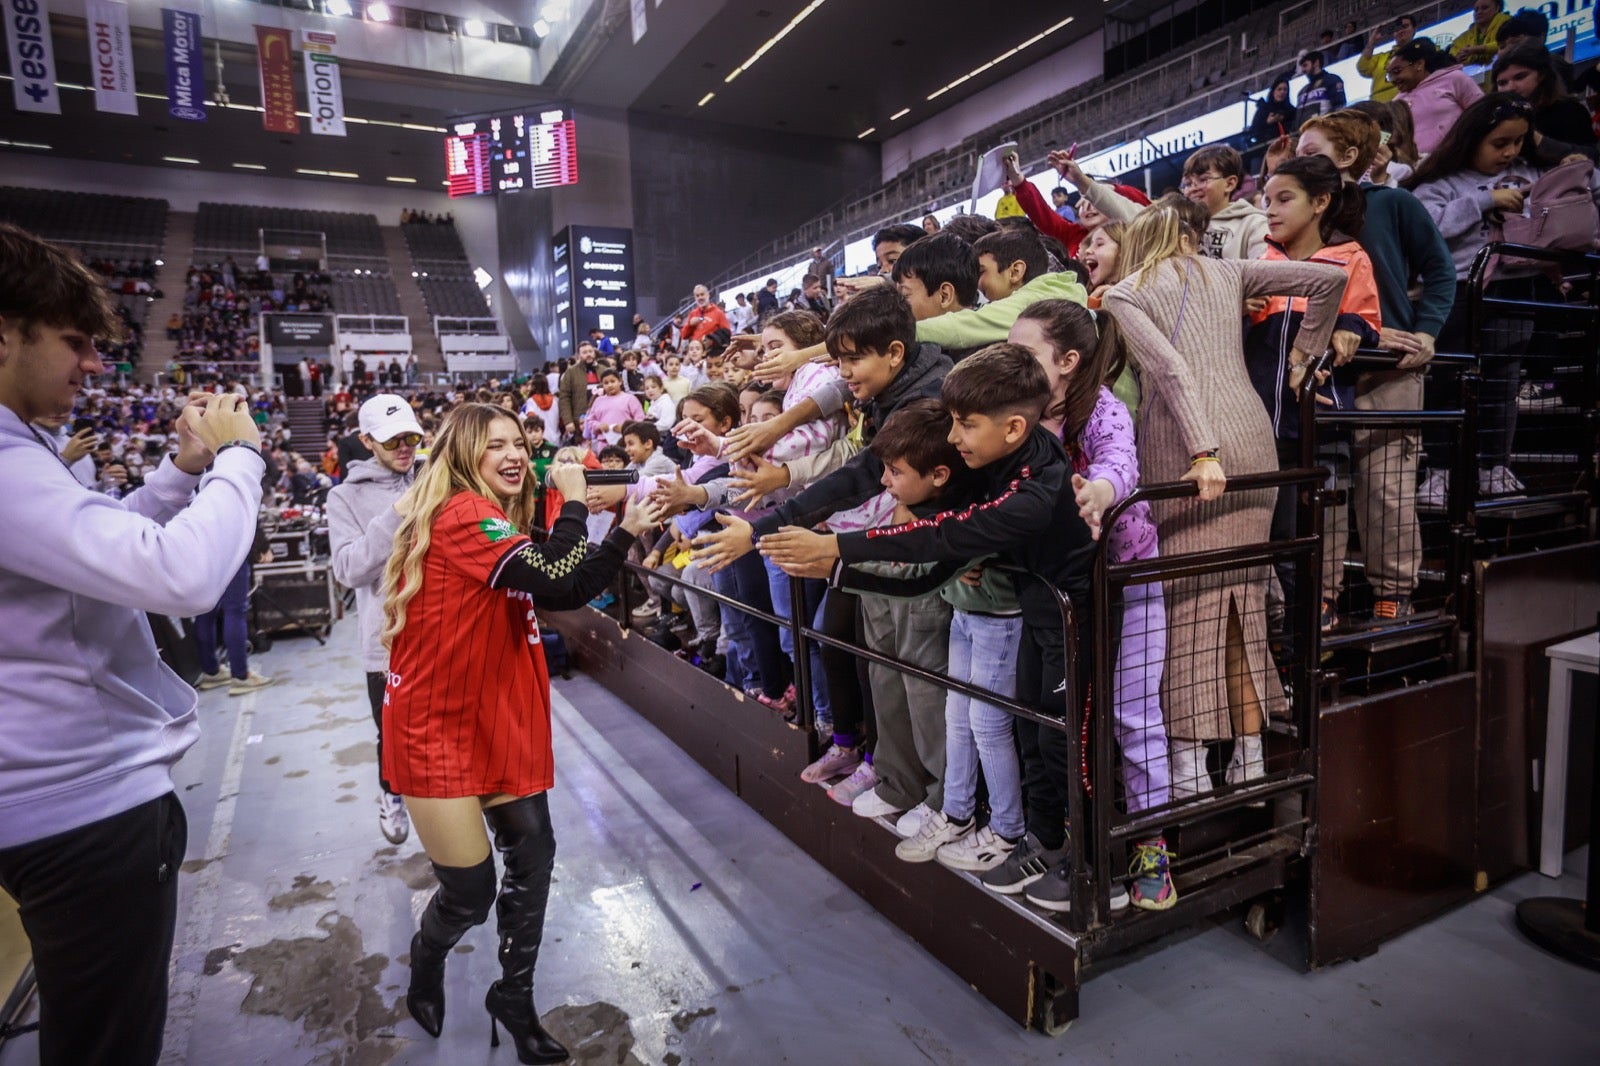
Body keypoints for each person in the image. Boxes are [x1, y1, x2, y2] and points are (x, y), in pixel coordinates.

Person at [0, 222, 266, 1066]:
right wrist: (238, 461)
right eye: (74, 343)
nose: (91, 366)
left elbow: (101, 550)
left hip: (61, 799)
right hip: (83, 813)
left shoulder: (22, 452)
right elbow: (181, 578)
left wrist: (182, 474)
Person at [382, 403, 655, 1060]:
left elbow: (566, 578)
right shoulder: (463, 516)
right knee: (470, 892)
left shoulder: (495, 518)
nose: (509, 453)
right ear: (461, 456)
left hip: (499, 715)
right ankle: (427, 954)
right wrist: (577, 504)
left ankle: (515, 996)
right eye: (491, 444)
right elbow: (563, 581)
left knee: (533, 855)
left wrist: (614, 529)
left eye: (515, 442)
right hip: (437, 727)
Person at [1102, 204, 1348, 796]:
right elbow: (1330, 279)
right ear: (1190, 235)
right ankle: (1251, 755)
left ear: (1135, 241)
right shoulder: (1229, 271)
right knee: (1241, 602)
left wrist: (1202, 449)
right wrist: (1302, 357)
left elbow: (1171, 371)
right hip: (1254, 436)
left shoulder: (1125, 292)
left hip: (1184, 447)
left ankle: (1189, 766)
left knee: (1188, 609)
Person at [1009, 299, 1175, 908]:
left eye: (1025, 353)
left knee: (1133, 717)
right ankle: (1066, 843)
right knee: (1048, 718)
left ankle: (1150, 850)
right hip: (1057, 590)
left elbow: (1118, 465)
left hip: (1126, 579)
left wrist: (1097, 493)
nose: (1012, 361)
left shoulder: (1102, 407)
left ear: (1068, 361)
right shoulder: (1020, 414)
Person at [1297, 108, 1456, 621]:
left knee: (1386, 486)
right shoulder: (1300, 216)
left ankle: (1394, 593)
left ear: (1348, 157)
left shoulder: (1394, 203)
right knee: (1327, 486)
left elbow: (1440, 271)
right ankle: (1324, 596)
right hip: (1326, 367)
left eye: (1312, 154)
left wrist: (1426, 332)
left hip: (1389, 368)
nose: (1303, 163)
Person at [1404, 93, 1600, 497]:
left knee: (1502, 383)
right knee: (1447, 382)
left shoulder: (1534, 173)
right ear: (1470, 137)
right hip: (1454, 294)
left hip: (1514, 290)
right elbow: (1425, 228)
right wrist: (1482, 201)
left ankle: (1494, 467)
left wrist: (1567, 161)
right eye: (1499, 143)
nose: (1509, 152)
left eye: (1518, 142)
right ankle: (1440, 470)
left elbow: (1589, 185)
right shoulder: (1440, 184)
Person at [1248, 155, 1383, 633]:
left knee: (1317, 529)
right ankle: (1287, 624)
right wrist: (1244, 309)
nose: (1271, 211)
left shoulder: (1351, 258)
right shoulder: (1263, 260)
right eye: (1266, 201)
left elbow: (1366, 321)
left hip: (1318, 421)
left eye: (1284, 199)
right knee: (1279, 533)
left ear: (1321, 202)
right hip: (1263, 424)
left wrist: (1348, 330)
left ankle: (1318, 612)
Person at [327, 393, 424, 846]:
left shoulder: (433, 477)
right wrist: (398, 515)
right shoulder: (344, 497)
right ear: (366, 440)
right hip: (388, 643)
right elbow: (348, 570)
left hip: (446, 632)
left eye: (410, 436)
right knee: (392, 736)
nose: (404, 447)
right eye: (391, 440)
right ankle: (391, 794)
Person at [1493, 43, 1599, 161]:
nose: (1510, 87)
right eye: (1502, 83)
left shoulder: (1569, 110)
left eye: (1519, 77)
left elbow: (1592, 157)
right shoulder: (1497, 116)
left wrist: (1541, 142)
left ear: (1541, 75)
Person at [1390, 39, 1486, 154]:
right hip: (1419, 168)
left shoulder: (1454, 79)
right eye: (1389, 75)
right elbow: (1387, 137)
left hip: (1460, 158)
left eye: (1397, 71)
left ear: (1419, 64)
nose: (1393, 80)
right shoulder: (1396, 102)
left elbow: (1483, 113)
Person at [1181, 144, 1269, 260]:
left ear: (1229, 184)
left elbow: (1263, 271)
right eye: (1187, 184)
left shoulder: (1254, 223)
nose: (1192, 189)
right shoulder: (1179, 225)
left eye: (1203, 180)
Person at [1450, 0, 1510, 88]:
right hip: (1474, 87)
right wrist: (1456, 59)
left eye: (1484, 8)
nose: (1479, 12)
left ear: (1497, 8)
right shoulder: (1463, 37)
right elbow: (1450, 59)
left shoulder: (1507, 22)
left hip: (1502, 80)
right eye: (1476, 9)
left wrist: (1477, 49)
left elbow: (1508, 43)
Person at [1358, 15, 1419, 102]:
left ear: (1414, 29)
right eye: (1397, 29)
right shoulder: (1381, 58)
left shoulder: (1421, 53)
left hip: (1408, 102)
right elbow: (1362, 68)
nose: (1400, 31)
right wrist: (1372, 41)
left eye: (1405, 27)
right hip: (1379, 106)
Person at [557, 340, 598, 440]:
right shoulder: (570, 372)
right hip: (579, 422)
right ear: (578, 356)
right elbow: (564, 398)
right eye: (584, 352)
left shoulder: (603, 369)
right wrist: (568, 421)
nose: (588, 354)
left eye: (590, 351)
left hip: (600, 420)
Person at [1294, 51, 1347, 126]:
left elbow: (1339, 107)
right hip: (1305, 134)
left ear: (1316, 63)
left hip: (1325, 130)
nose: (1303, 70)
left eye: (1305, 65)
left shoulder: (1332, 80)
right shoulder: (1302, 91)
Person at [1249, 76, 1298, 142]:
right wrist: (1268, 122)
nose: (1282, 92)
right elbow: (1254, 130)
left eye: (1285, 89)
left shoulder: (1291, 110)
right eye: (1279, 89)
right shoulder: (1263, 109)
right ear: (1273, 91)